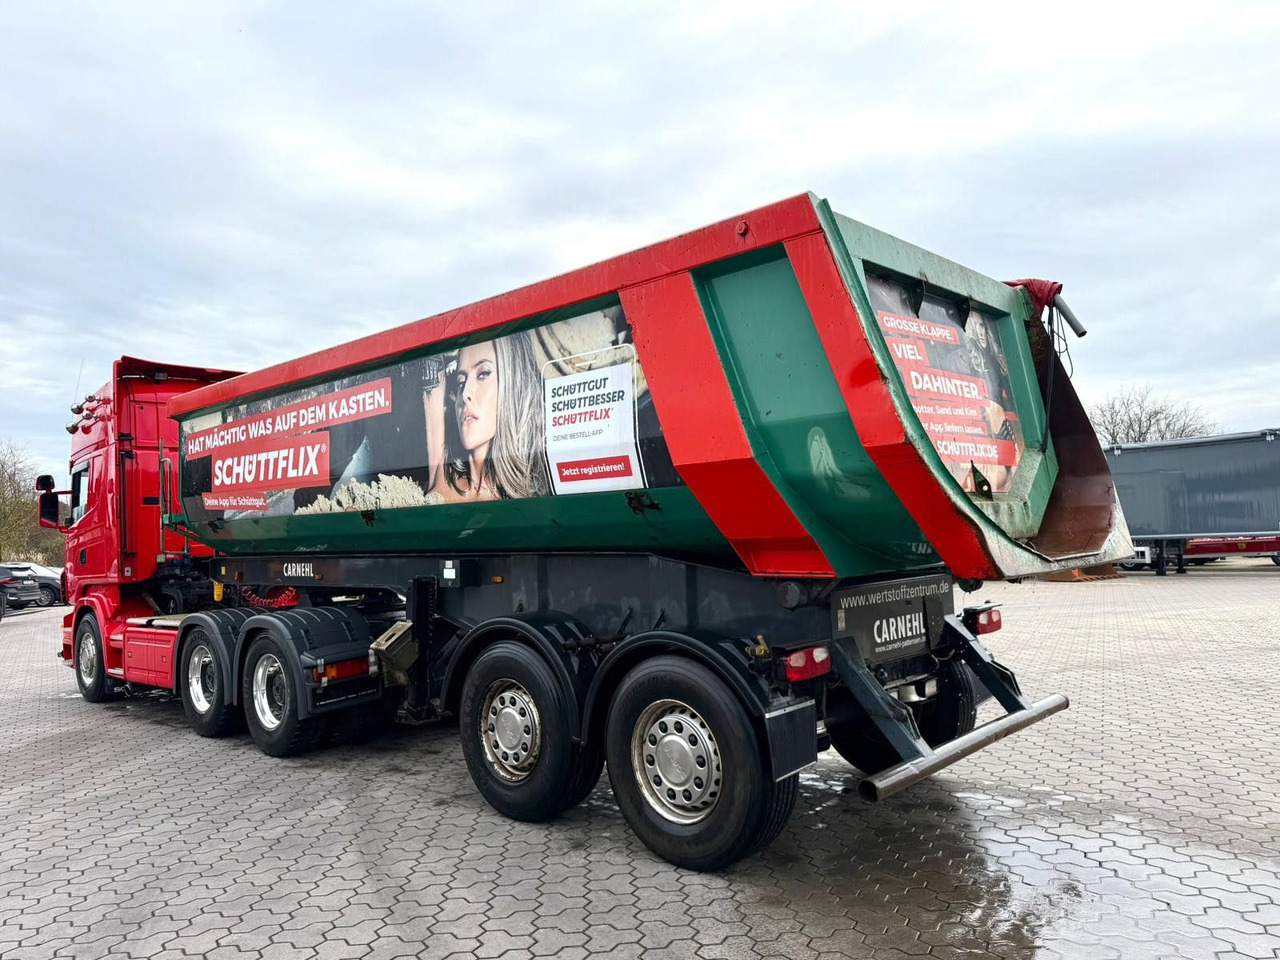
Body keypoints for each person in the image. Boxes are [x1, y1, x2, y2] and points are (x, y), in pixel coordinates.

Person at [423, 331, 550, 502]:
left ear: (512, 385)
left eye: (483, 374)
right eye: (461, 382)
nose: (465, 394)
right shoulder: (441, 471)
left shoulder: (532, 493)